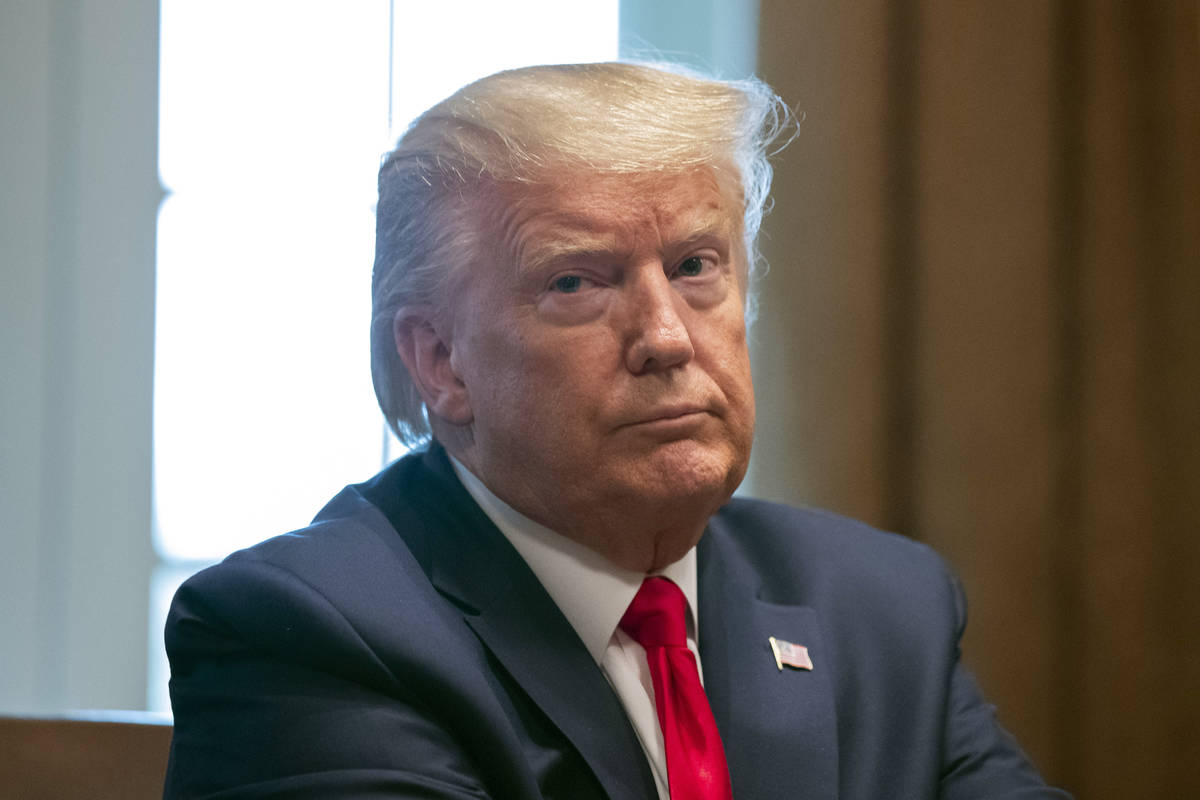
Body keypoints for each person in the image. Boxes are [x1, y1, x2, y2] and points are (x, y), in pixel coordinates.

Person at [162, 62, 1071, 799]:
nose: (668, 337)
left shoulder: (880, 606)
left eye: (695, 266)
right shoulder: (308, 631)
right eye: (577, 283)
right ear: (441, 361)